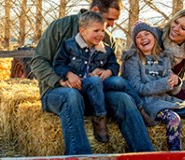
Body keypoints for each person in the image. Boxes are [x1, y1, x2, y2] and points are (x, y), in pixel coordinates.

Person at [30, 0, 155, 156]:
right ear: (95, 11)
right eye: (109, 19)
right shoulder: (60, 27)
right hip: (58, 93)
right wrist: (60, 80)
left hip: (95, 95)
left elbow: (112, 65)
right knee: (71, 96)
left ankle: (147, 158)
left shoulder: (107, 39)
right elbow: (38, 61)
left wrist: (107, 72)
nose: (111, 25)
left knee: (123, 99)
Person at [53, 11, 145, 143]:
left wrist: (108, 72)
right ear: (83, 31)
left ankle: (140, 108)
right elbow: (58, 64)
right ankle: (99, 119)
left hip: (100, 86)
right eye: (96, 30)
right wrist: (69, 74)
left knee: (119, 80)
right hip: (81, 86)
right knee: (94, 81)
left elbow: (114, 65)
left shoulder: (106, 50)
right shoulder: (69, 46)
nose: (101, 34)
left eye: (103, 30)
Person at [122, 21, 185, 150]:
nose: (143, 38)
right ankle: (175, 157)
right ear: (135, 42)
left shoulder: (164, 58)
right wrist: (163, 84)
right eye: (138, 36)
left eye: (147, 34)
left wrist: (176, 82)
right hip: (148, 103)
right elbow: (137, 88)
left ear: (155, 38)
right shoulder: (133, 59)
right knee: (173, 119)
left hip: (166, 100)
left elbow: (172, 91)